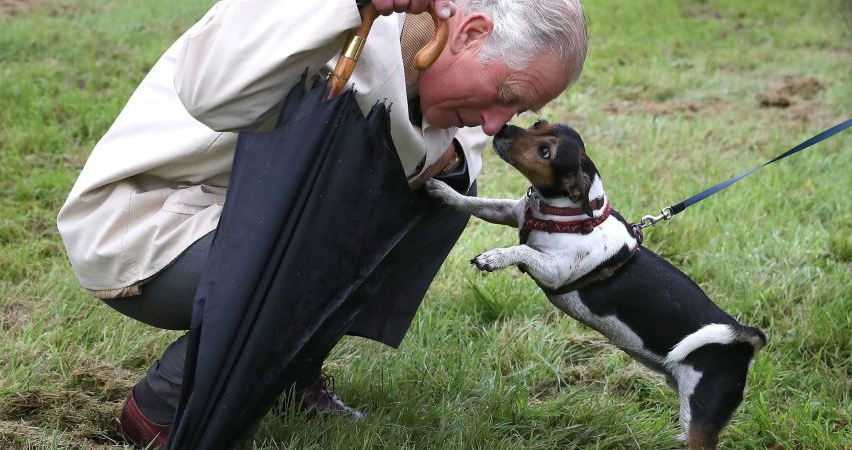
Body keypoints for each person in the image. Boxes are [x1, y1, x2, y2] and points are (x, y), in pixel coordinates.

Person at [56, 0, 587, 447]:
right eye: (507, 96)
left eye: (516, 110)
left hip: (249, 222)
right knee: (341, 231)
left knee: (445, 195)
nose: (497, 123)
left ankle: (286, 371)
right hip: (151, 225)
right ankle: (166, 403)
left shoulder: (435, 65)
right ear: (470, 33)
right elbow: (208, 90)